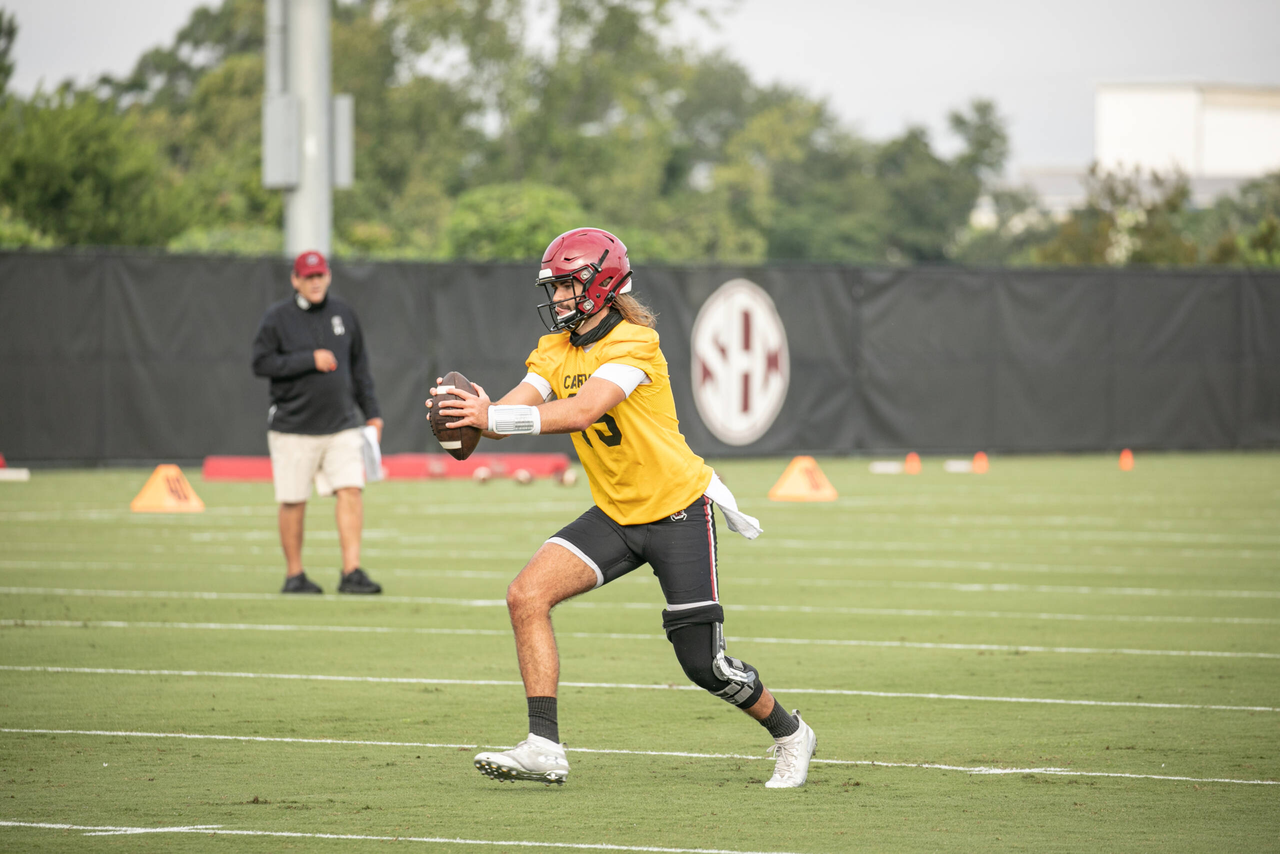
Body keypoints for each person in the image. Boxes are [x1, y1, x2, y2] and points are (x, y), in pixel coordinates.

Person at [428, 227, 816, 788]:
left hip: (677, 510)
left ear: (602, 283)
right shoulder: (553, 350)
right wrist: (468, 413)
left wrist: (492, 419)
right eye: (554, 286)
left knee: (702, 664)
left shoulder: (636, 341)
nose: (558, 297)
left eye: (568, 285)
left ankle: (790, 732)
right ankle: (543, 745)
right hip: (614, 514)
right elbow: (506, 418)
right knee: (526, 595)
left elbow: (585, 410)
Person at [251, 250, 384, 595]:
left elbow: (360, 370)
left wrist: (372, 413)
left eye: (320, 275)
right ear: (295, 280)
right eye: (308, 277)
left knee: (351, 491)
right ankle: (295, 575)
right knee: (293, 500)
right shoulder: (277, 317)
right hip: (292, 426)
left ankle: (351, 571)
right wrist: (308, 360)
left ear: (327, 277)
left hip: (341, 425)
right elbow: (261, 363)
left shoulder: (344, 313)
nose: (315, 282)